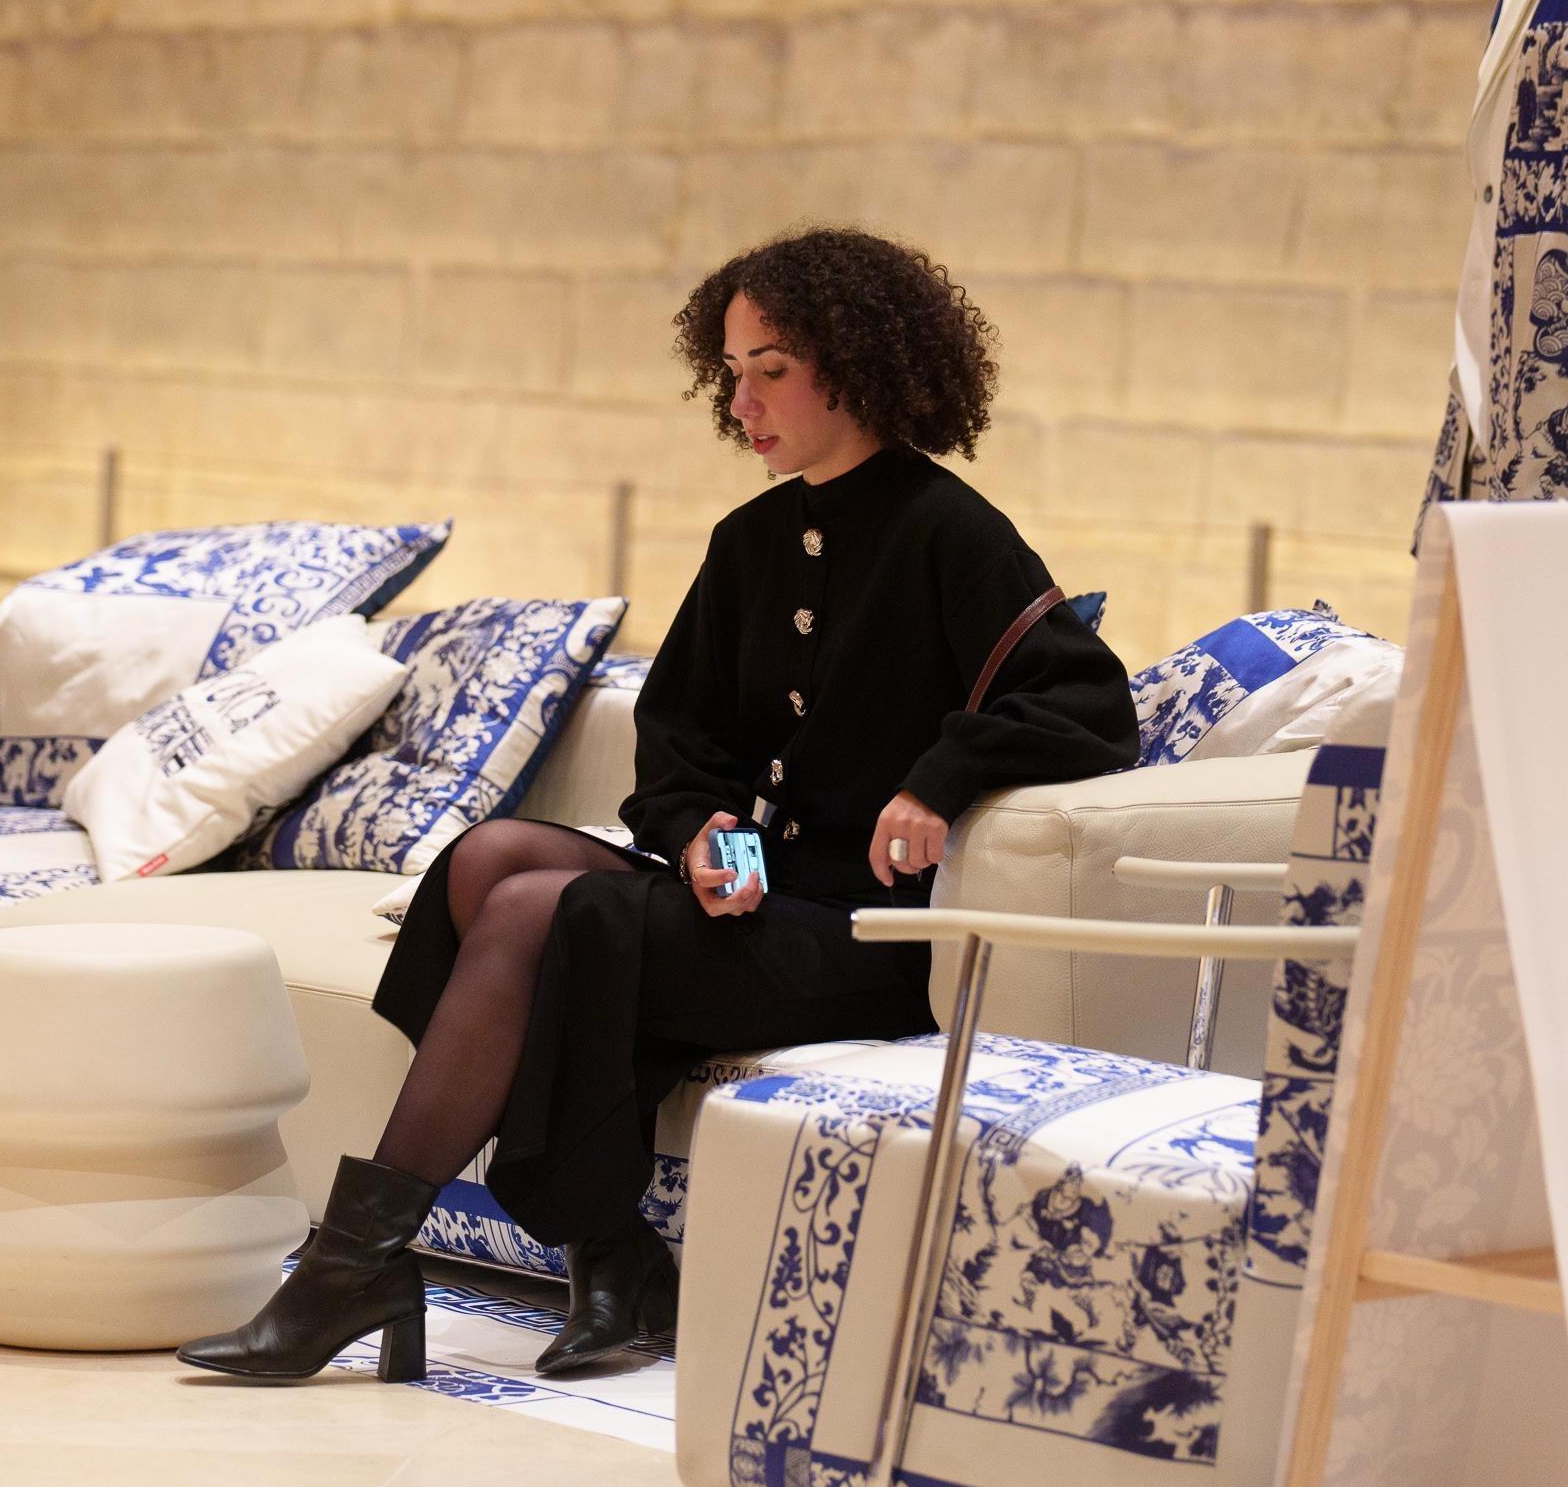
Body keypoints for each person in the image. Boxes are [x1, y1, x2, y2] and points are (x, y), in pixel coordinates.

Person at [176, 227, 1140, 1383]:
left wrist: (940, 777)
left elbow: (1087, 702)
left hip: (865, 930)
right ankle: (612, 1255)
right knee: (488, 861)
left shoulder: (948, 528)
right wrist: (700, 833)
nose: (741, 403)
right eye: (729, 371)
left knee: (545, 912)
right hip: (759, 894)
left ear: (856, 365)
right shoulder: (749, 540)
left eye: (770, 369)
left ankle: (364, 1267)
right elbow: (682, 740)